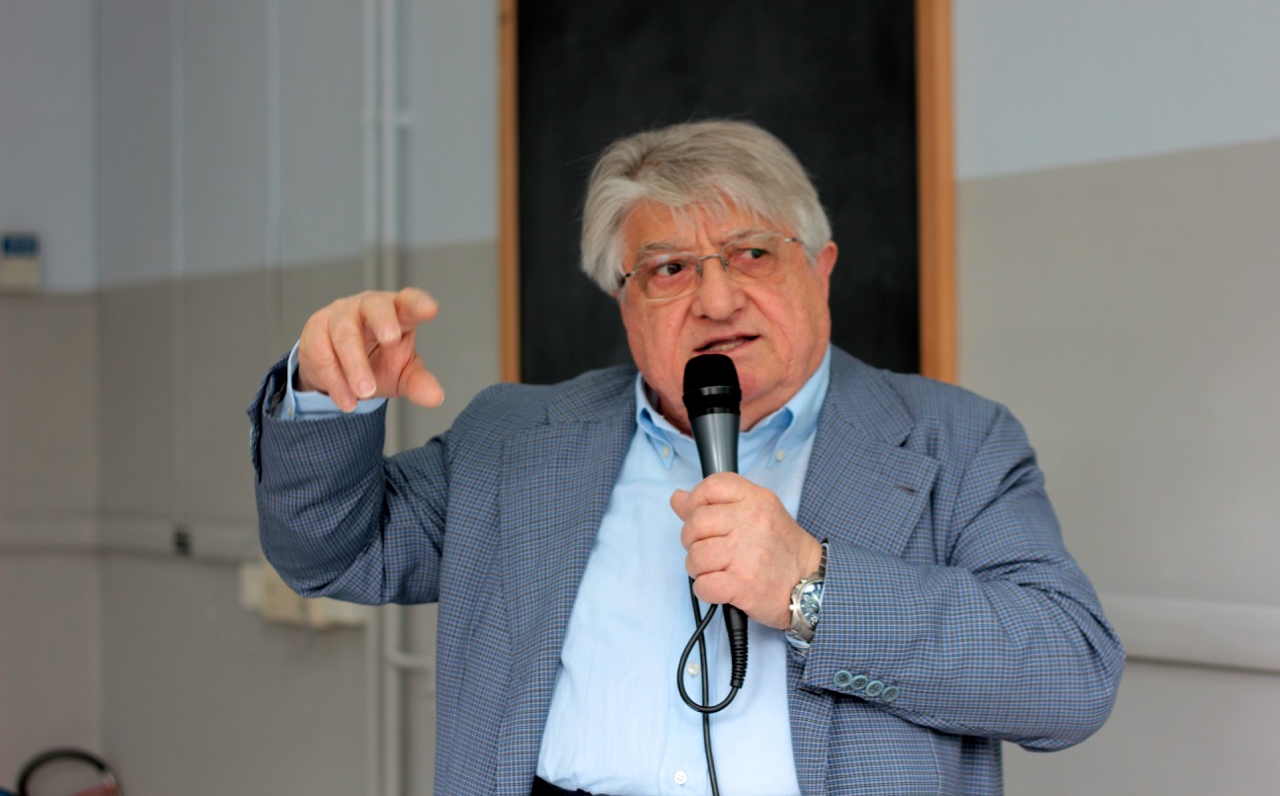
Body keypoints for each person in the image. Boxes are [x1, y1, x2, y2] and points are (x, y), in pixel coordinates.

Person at [248, 120, 1123, 796]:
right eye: (668, 268)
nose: (716, 298)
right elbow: (331, 551)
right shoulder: (513, 439)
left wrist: (810, 586)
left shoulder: (957, 441)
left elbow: (1071, 676)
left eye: (752, 254)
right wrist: (327, 395)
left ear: (820, 269)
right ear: (623, 301)